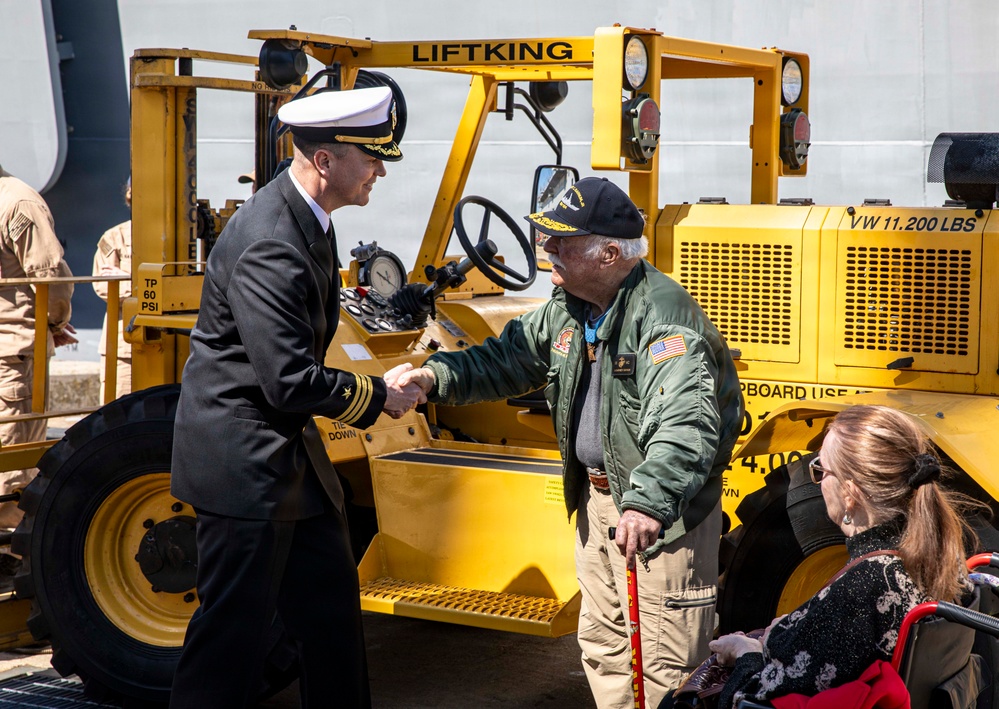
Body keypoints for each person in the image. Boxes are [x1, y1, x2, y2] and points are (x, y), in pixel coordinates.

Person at [397, 177, 744, 709]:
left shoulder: (663, 318)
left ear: (609, 253)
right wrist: (430, 379)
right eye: (547, 236)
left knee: (666, 664)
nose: (546, 248)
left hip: (658, 521)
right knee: (606, 650)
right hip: (599, 504)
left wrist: (647, 503)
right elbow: (506, 359)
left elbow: (684, 426)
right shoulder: (571, 305)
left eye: (562, 240)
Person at [169, 86, 422, 709]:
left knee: (332, 628)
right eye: (372, 157)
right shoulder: (272, 239)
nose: (381, 170)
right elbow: (286, 378)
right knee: (230, 646)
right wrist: (376, 395)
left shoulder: (311, 220)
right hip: (244, 467)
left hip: (289, 465)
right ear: (327, 162)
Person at [704, 404, 978, 709]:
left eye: (820, 470)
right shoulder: (945, 559)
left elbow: (748, 699)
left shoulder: (861, 591)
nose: (818, 482)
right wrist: (799, 630)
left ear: (849, 494)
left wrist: (746, 653)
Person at [0, 163, 76, 588]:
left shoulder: (16, 201)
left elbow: (48, 275)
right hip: (12, 352)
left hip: (12, 356)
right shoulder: (15, 201)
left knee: (13, 466)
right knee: (11, 463)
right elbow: (51, 279)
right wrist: (52, 321)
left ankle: (13, 575)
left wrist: (49, 321)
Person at [92, 177, 132, 403]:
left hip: (168, 344)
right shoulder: (114, 237)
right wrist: (140, 286)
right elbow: (103, 286)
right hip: (123, 348)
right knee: (118, 412)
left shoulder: (174, 237)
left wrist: (126, 279)